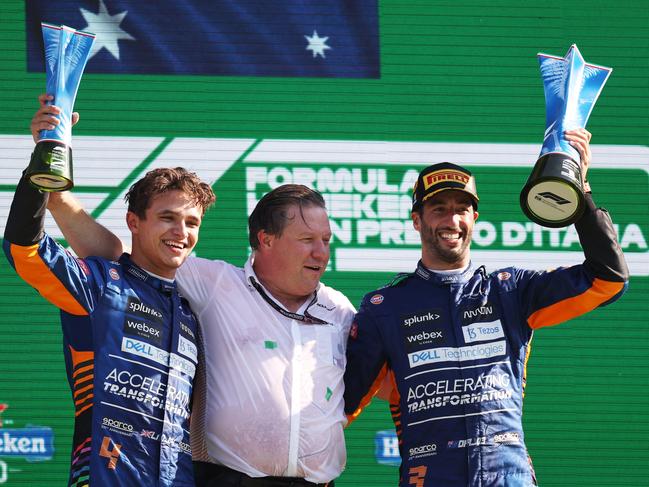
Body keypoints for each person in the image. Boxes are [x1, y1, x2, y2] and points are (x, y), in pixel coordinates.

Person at [36, 98, 355, 486]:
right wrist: (58, 196)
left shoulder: (339, 309)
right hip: (225, 479)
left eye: (326, 239)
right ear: (265, 240)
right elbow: (126, 257)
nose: (322, 252)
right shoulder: (213, 282)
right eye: (307, 239)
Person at [343, 129, 629, 486]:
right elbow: (341, 407)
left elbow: (608, 278)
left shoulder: (511, 291)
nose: (452, 220)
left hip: (508, 478)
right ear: (417, 220)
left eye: (462, 209)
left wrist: (580, 191)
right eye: (438, 209)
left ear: (475, 218)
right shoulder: (385, 308)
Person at [4, 110, 216, 486]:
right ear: (134, 221)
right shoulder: (102, 285)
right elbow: (26, 249)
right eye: (168, 217)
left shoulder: (192, 310)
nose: (181, 232)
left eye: (192, 222)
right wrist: (43, 169)